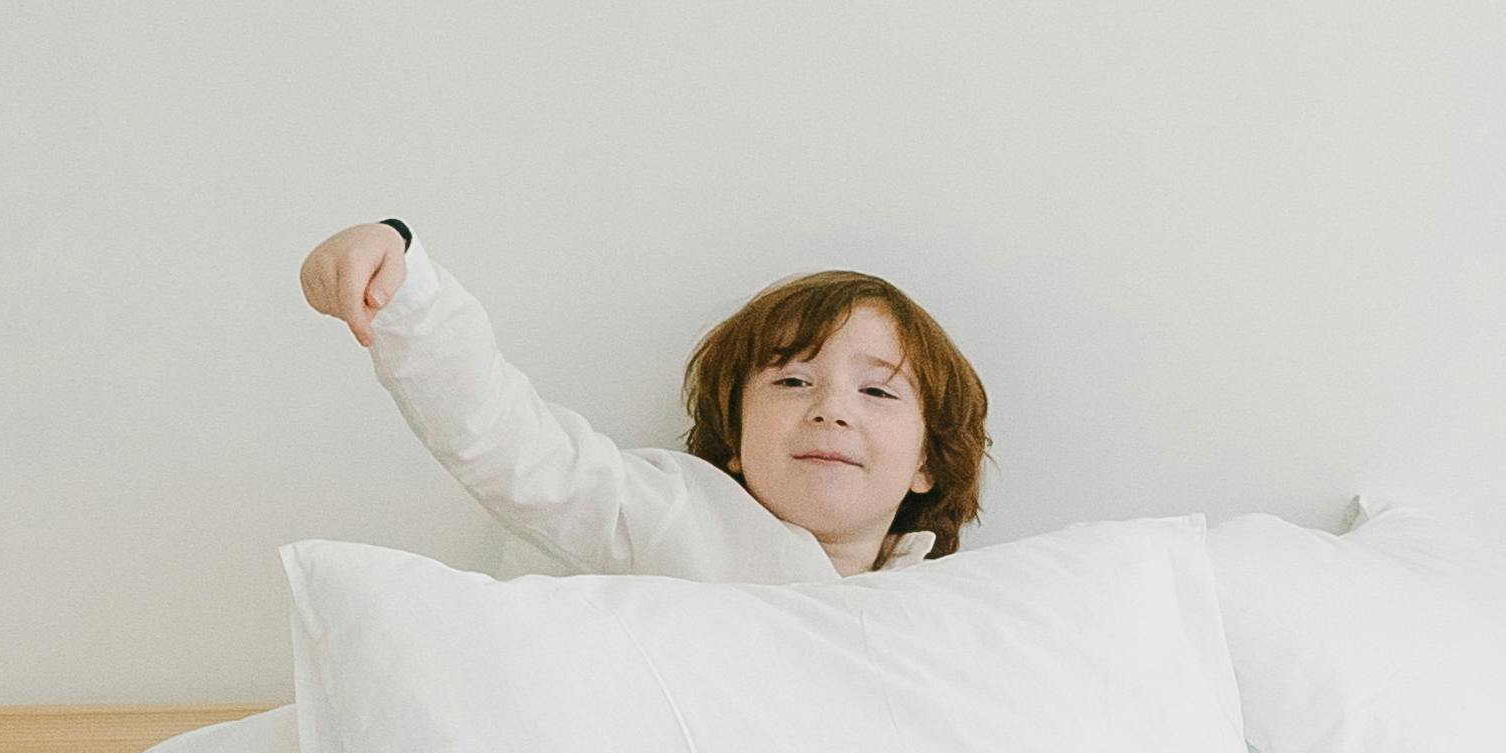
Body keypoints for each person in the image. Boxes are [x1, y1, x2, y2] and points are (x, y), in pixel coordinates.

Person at [297, 218, 989, 581]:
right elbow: (518, 452)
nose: (831, 409)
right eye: (791, 381)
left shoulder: (938, 603)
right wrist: (407, 286)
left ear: (927, 461)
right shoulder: (676, 520)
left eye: (875, 390)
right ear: (736, 443)